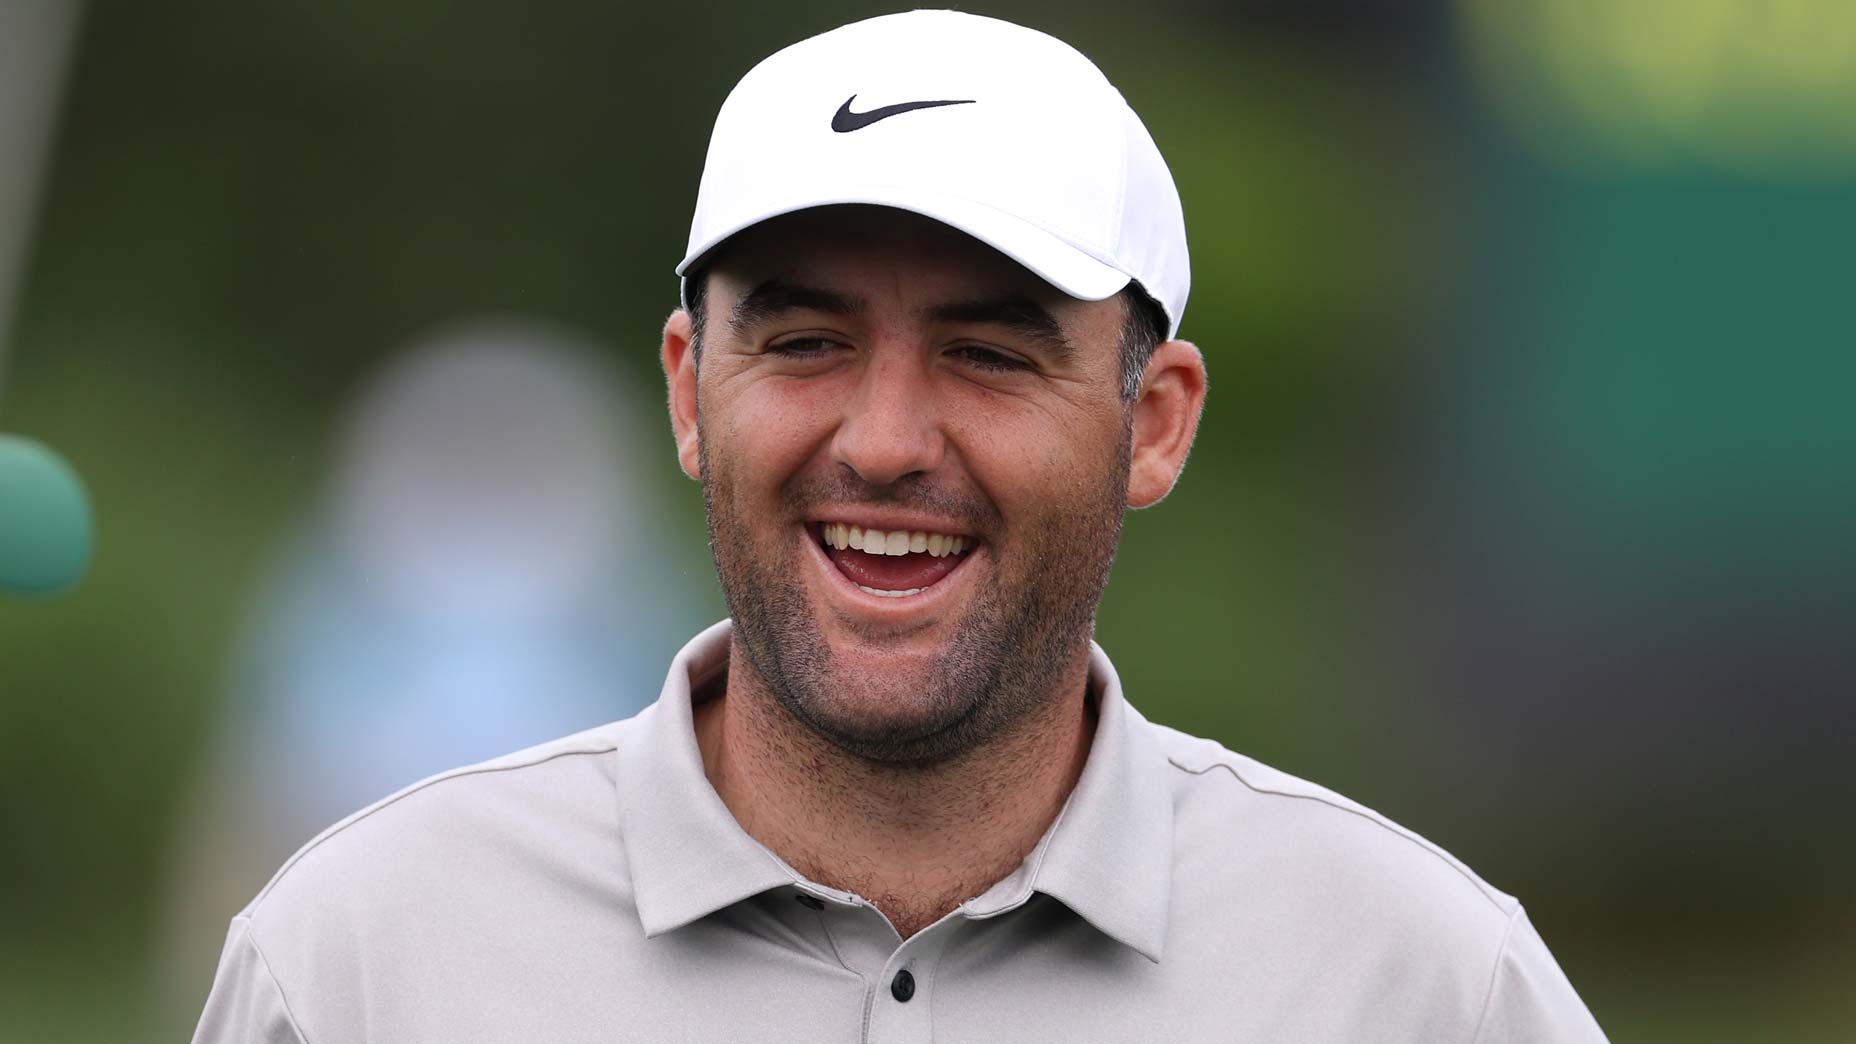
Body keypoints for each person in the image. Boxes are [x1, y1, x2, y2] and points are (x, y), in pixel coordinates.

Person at [191, 11, 1607, 1042]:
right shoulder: (363, 960)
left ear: (1155, 421)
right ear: (692, 392)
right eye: (805, 342)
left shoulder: (1419, 986)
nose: (881, 440)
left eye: (990, 356)